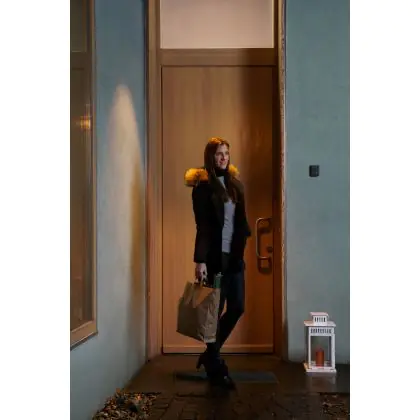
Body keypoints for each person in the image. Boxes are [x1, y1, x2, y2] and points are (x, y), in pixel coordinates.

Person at [184, 137, 251, 388]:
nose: (223, 158)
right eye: (219, 154)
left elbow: (241, 221)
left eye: (226, 153)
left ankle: (210, 355)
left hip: (234, 257)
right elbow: (202, 226)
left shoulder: (236, 186)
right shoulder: (202, 189)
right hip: (215, 258)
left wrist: (244, 241)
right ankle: (216, 365)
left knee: (237, 307)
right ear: (210, 157)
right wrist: (200, 261)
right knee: (214, 311)